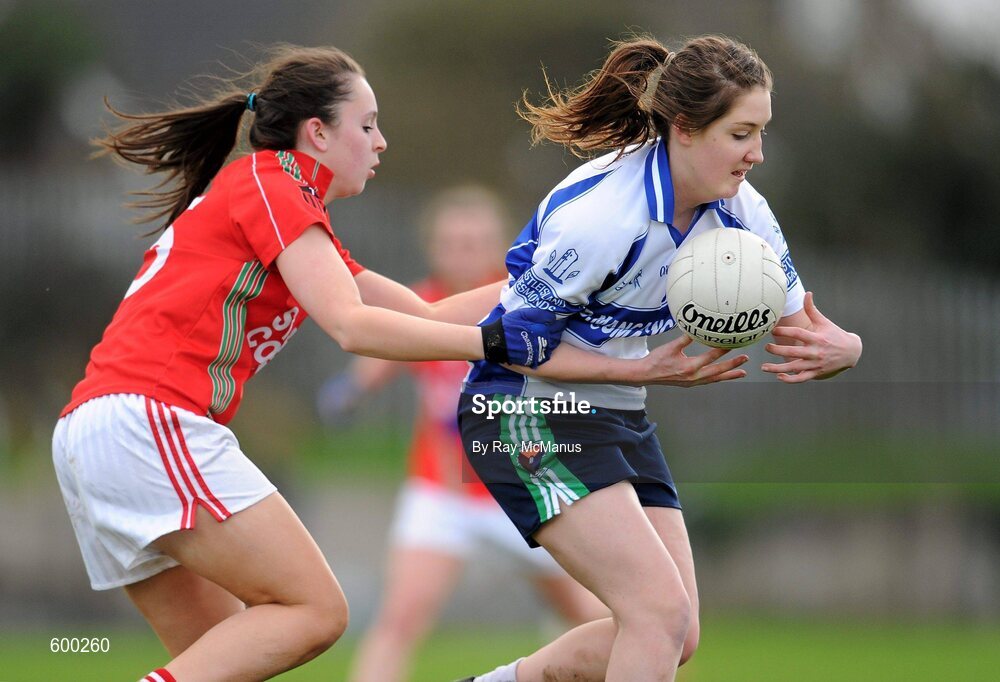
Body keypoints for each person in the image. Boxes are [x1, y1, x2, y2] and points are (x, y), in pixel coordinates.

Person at [49, 46, 573, 682]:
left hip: (105, 431)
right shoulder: (274, 182)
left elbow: (427, 317)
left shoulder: (291, 213)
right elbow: (353, 327)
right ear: (317, 133)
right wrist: (496, 345)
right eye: (368, 123)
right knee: (317, 610)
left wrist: (560, 277)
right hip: (149, 421)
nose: (382, 142)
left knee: (225, 656)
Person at [456, 35, 863, 682]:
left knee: (677, 633)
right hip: (523, 407)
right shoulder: (603, 219)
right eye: (741, 134)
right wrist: (638, 369)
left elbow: (802, 322)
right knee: (657, 613)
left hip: (617, 411)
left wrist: (847, 347)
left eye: (761, 133)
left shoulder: (741, 210)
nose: (756, 153)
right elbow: (513, 342)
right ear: (684, 129)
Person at [316, 186, 608, 682]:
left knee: (609, 618)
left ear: (499, 247)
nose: (462, 252)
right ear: (433, 248)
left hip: (529, 490)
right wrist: (348, 391)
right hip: (442, 495)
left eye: (475, 241)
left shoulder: (529, 303)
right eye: (451, 241)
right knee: (398, 621)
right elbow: (378, 357)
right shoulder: (424, 303)